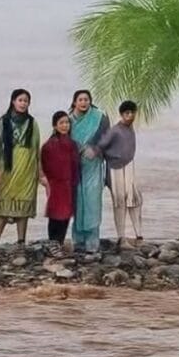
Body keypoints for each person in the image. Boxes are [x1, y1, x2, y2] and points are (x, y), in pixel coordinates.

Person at [0, 89, 44, 250]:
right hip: (7, 169)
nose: (23, 103)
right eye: (20, 100)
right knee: (2, 207)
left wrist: (38, 172)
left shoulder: (32, 123)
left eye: (26, 101)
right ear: (13, 101)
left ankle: (21, 241)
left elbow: (36, 149)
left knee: (24, 207)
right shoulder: (3, 121)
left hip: (26, 169)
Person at [98, 101, 142, 250]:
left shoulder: (131, 129)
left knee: (134, 199)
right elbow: (101, 146)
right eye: (127, 114)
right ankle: (121, 237)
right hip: (115, 168)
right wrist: (112, 157)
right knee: (119, 202)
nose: (130, 116)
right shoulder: (115, 130)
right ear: (122, 114)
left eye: (132, 113)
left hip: (129, 166)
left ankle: (139, 235)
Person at [69, 90, 110, 253]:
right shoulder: (69, 119)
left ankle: (93, 242)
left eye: (86, 99)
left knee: (92, 200)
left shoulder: (100, 117)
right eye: (80, 100)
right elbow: (62, 137)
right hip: (76, 166)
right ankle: (78, 241)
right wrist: (77, 149)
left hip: (94, 164)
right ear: (74, 102)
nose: (84, 102)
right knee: (78, 201)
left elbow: (107, 138)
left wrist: (95, 149)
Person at [41, 111, 80, 249]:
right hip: (55, 185)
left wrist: (76, 183)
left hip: (69, 185)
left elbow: (75, 166)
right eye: (61, 123)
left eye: (67, 122)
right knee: (55, 215)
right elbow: (43, 166)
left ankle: (60, 242)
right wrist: (45, 182)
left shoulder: (73, 144)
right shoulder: (48, 146)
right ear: (54, 126)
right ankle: (53, 243)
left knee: (66, 215)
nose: (65, 126)